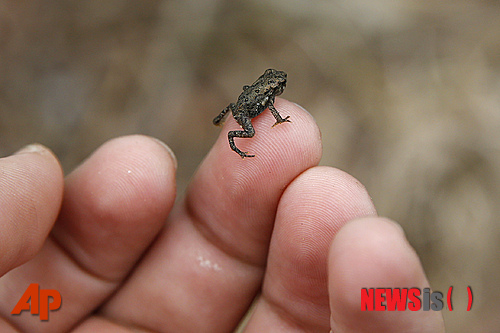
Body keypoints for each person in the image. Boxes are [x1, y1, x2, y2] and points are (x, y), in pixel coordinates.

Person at [0, 99, 445, 332]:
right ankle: (236, 142)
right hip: (35, 308)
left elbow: (34, 307)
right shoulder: (28, 305)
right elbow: (34, 306)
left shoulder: (29, 307)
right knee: (132, 177)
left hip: (36, 309)